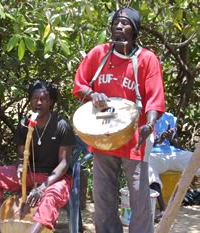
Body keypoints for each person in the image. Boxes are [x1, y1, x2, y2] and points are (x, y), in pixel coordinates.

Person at [72, 7, 165, 233]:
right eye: (116, 23)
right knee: (103, 198)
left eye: (124, 24)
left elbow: (155, 98)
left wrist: (149, 125)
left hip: (135, 139)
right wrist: (92, 95)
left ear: (134, 32)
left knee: (139, 199)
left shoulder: (146, 59)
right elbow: (79, 85)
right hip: (102, 136)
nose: (119, 27)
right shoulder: (99, 54)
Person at [0, 80, 76, 233]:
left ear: (50, 102)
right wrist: (19, 168)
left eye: (43, 99)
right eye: (34, 99)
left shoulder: (61, 125)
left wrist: (43, 187)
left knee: (50, 198)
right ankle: (9, 219)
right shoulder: (25, 124)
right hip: (29, 174)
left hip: (55, 178)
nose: (38, 103)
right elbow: (20, 156)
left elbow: (63, 164)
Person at [149, 112, 200, 221]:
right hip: (153, 155)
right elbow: (142, 143)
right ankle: (163, 209)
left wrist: (171, 138)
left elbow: (177, 144)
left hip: (173, 154)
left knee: (193, 158)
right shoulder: (145, 116)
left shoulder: (170, 117)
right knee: (148, 165)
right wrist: (158, 140)